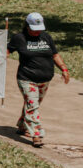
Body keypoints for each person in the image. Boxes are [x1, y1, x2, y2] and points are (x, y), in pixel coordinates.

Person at [7, 12, 70, 148]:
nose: (37, 32)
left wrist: (64, 69)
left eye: (39, 29)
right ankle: (36, 134)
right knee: (33, 106)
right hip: (26, 78)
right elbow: (6, 52)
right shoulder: (19, 38)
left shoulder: (46, 37)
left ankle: (23, 126)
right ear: (27, 26)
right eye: (34, 30)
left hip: (44, 80)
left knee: (32, 105)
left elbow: (55, 54)